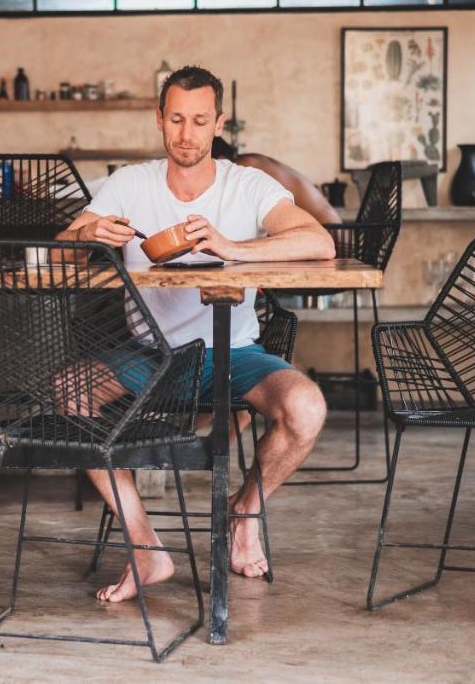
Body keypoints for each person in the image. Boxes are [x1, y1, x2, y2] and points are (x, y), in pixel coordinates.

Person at [56, 65, 334, 601]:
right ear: (159, 119)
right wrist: (89, 232)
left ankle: (245, 510)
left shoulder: (248, 185)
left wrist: (234, 248)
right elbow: (61, 246)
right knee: (68, 394)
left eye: (200, 120)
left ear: (218, 123)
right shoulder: (129, 183)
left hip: (235, 355)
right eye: (177, 119)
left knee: (307, 408)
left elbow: (318, 242)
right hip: (152, 355)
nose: (187, 133)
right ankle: (146, 548)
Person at [211, 136, 342, 226]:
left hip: (330, 231)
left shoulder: (247, 166)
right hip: (328, 229)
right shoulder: (252, 161)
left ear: (220, 158)